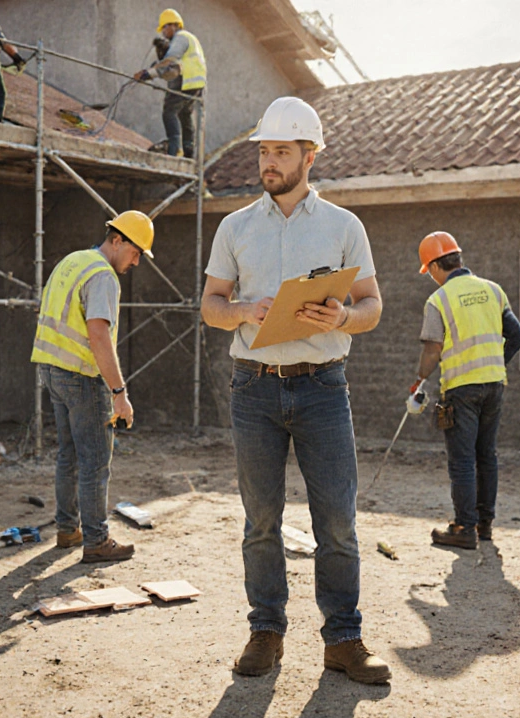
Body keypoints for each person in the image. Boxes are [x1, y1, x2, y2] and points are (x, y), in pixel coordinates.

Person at [200, 96, 391, 684]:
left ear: (309, 155)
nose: (269, 161)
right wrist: (240, 311)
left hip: (323, 389)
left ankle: (344, 640)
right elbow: (210, 307)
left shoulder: (343, 226)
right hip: (252, 389)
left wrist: (342, 319)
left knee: (336, 520)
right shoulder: (235, 227)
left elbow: (373, 306)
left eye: (281, 151)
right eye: (264, 151)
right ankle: (266, 632)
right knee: (261, 519)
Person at [31, 211, 156, 564]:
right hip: (82, 377)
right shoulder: (102, 276)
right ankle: (97, 541)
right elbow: (98, 334)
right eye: (136, 252)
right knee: (95, 462)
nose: (136, 261)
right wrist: (119, 393)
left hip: (53, 370)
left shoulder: (73, 261)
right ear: (117, 240)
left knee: (69, 456)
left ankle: (69, 530)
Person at [410, 232, 520, 550]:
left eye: (428, 270)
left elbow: (433, 349)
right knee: (486, 456)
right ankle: (484, 525)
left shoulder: (439, 300)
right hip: (494, 385)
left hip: (461, 390)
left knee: (461, 461)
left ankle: (463, 527)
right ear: (458, 258)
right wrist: (493, 364)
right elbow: (517, 337)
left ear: (435, 265)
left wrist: (419, 379)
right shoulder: (493, 290)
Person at [133, 8, 206, 158]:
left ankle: (175, 149)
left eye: (164, 28)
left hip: (186, 83)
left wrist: (148, 73)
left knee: (169, 112)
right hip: (196, 85)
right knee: (185, 114)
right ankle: (188, 150)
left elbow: (169, 62)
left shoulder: (181, 37)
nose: (163, 33)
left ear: (172, 25)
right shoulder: (191, 38)